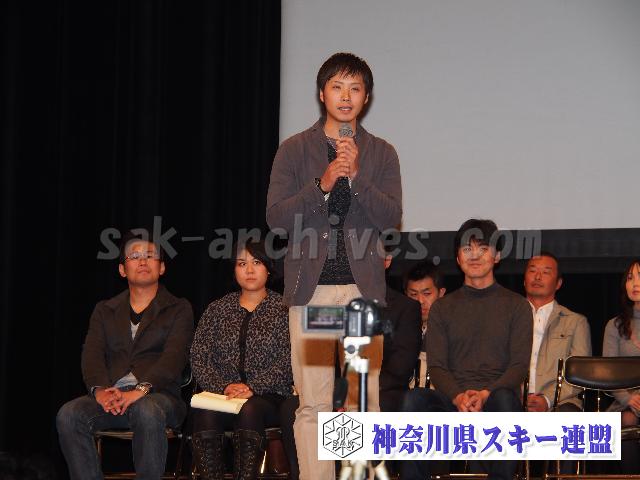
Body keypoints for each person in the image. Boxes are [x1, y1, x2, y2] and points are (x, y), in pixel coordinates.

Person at [266, 52, 402, 480]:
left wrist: (357, 177)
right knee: (315, 403)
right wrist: (321, 185)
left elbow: (390, 218)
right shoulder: (294, 149)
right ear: (322, 94)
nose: (346, 96)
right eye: (337, 87)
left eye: (355, 88)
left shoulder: (381, 153)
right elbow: (276, 219)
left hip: (362, 295)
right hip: (314, 293)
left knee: (364, 400)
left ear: (366, 98)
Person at [401, 219, 532, 480]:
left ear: (497, 256)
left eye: (483, 249)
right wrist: (458, 396)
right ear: (458, 258)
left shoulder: (517, 305)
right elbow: (437, 366)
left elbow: (518, 366)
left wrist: (485, 394)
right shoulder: (442, 308)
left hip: (495, 400)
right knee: (414, 400)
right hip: (454, 401)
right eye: (467, 249)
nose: (474, 256)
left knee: (506, 400)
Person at [56, 232, 194, 480]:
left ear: (162, 267)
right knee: (69, 415)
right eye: (135, 256)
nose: (143, 261)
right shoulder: (105, 309)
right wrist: (100, 391)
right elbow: (92, 354)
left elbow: (174, 358)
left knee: (146, 410)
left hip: (159, 397)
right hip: (113, 396)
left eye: (150, 256)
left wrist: (140, 390)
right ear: (122, 269)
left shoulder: (178, 308)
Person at [190, 240, 295, 480]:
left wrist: (253, 387)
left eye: (256, 262)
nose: (249, 270)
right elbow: (199, 356)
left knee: (250, 410)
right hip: (222, 394)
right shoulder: (217, 309)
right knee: (205, 414)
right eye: (241, 263)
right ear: (234, 270)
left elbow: (289, 359)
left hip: (269, 396)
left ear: (269, 268)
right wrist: (224, 386)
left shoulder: (285, 309)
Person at [524, 252, 591, 412]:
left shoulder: (575, 322)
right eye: (532, 271)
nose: (537, 277)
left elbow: (580, 373)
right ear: (524, 280)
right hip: (513, 397)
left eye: (546, 272)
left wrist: (547, 399)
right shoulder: (508, 317)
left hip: (561, 401)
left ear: (558, 283)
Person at [603, 259, 640, 474]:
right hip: (625, 401)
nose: (635, 283)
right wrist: (628, 399)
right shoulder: (615, 325)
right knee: (627, 418)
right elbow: (609, 373)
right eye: (630, 278)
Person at [379, 251, 422, 412]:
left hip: (383, 394)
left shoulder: (405, 307)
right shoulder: (335, 303)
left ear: (387, 260)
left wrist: (359, 390)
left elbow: (400, 368)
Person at [403, 261, 446, 388]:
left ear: (441, 293)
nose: (420, 301)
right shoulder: (398, 330)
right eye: (413, 294)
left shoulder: (453, 328)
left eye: (427, 294)